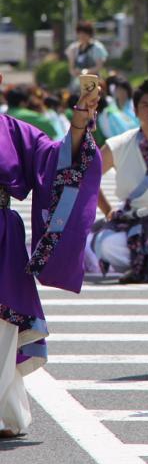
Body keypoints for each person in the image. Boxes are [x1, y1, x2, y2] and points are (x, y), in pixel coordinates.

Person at [0, 75, 101, 436]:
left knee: (2, 322)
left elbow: (56, 161)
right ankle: (8, 409)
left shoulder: (13, 130)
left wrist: (80, 122)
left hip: (1, 235)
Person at [85, 79, 148, 284]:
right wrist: (107, 209)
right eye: (146, 105)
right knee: (107, 244)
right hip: (134, 220)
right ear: (135, 111)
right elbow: (88, 176)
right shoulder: (120, 144)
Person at [65, 20, 108, 91]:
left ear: (90, 34)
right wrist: (76, 72)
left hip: (93, 84)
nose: (82, 36)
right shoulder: (73, 48)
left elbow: (99, 66)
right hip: (77, 84)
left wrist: (86, 71)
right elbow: (71, 68)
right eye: (80, 33)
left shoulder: (97, 48)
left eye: (85, 33)